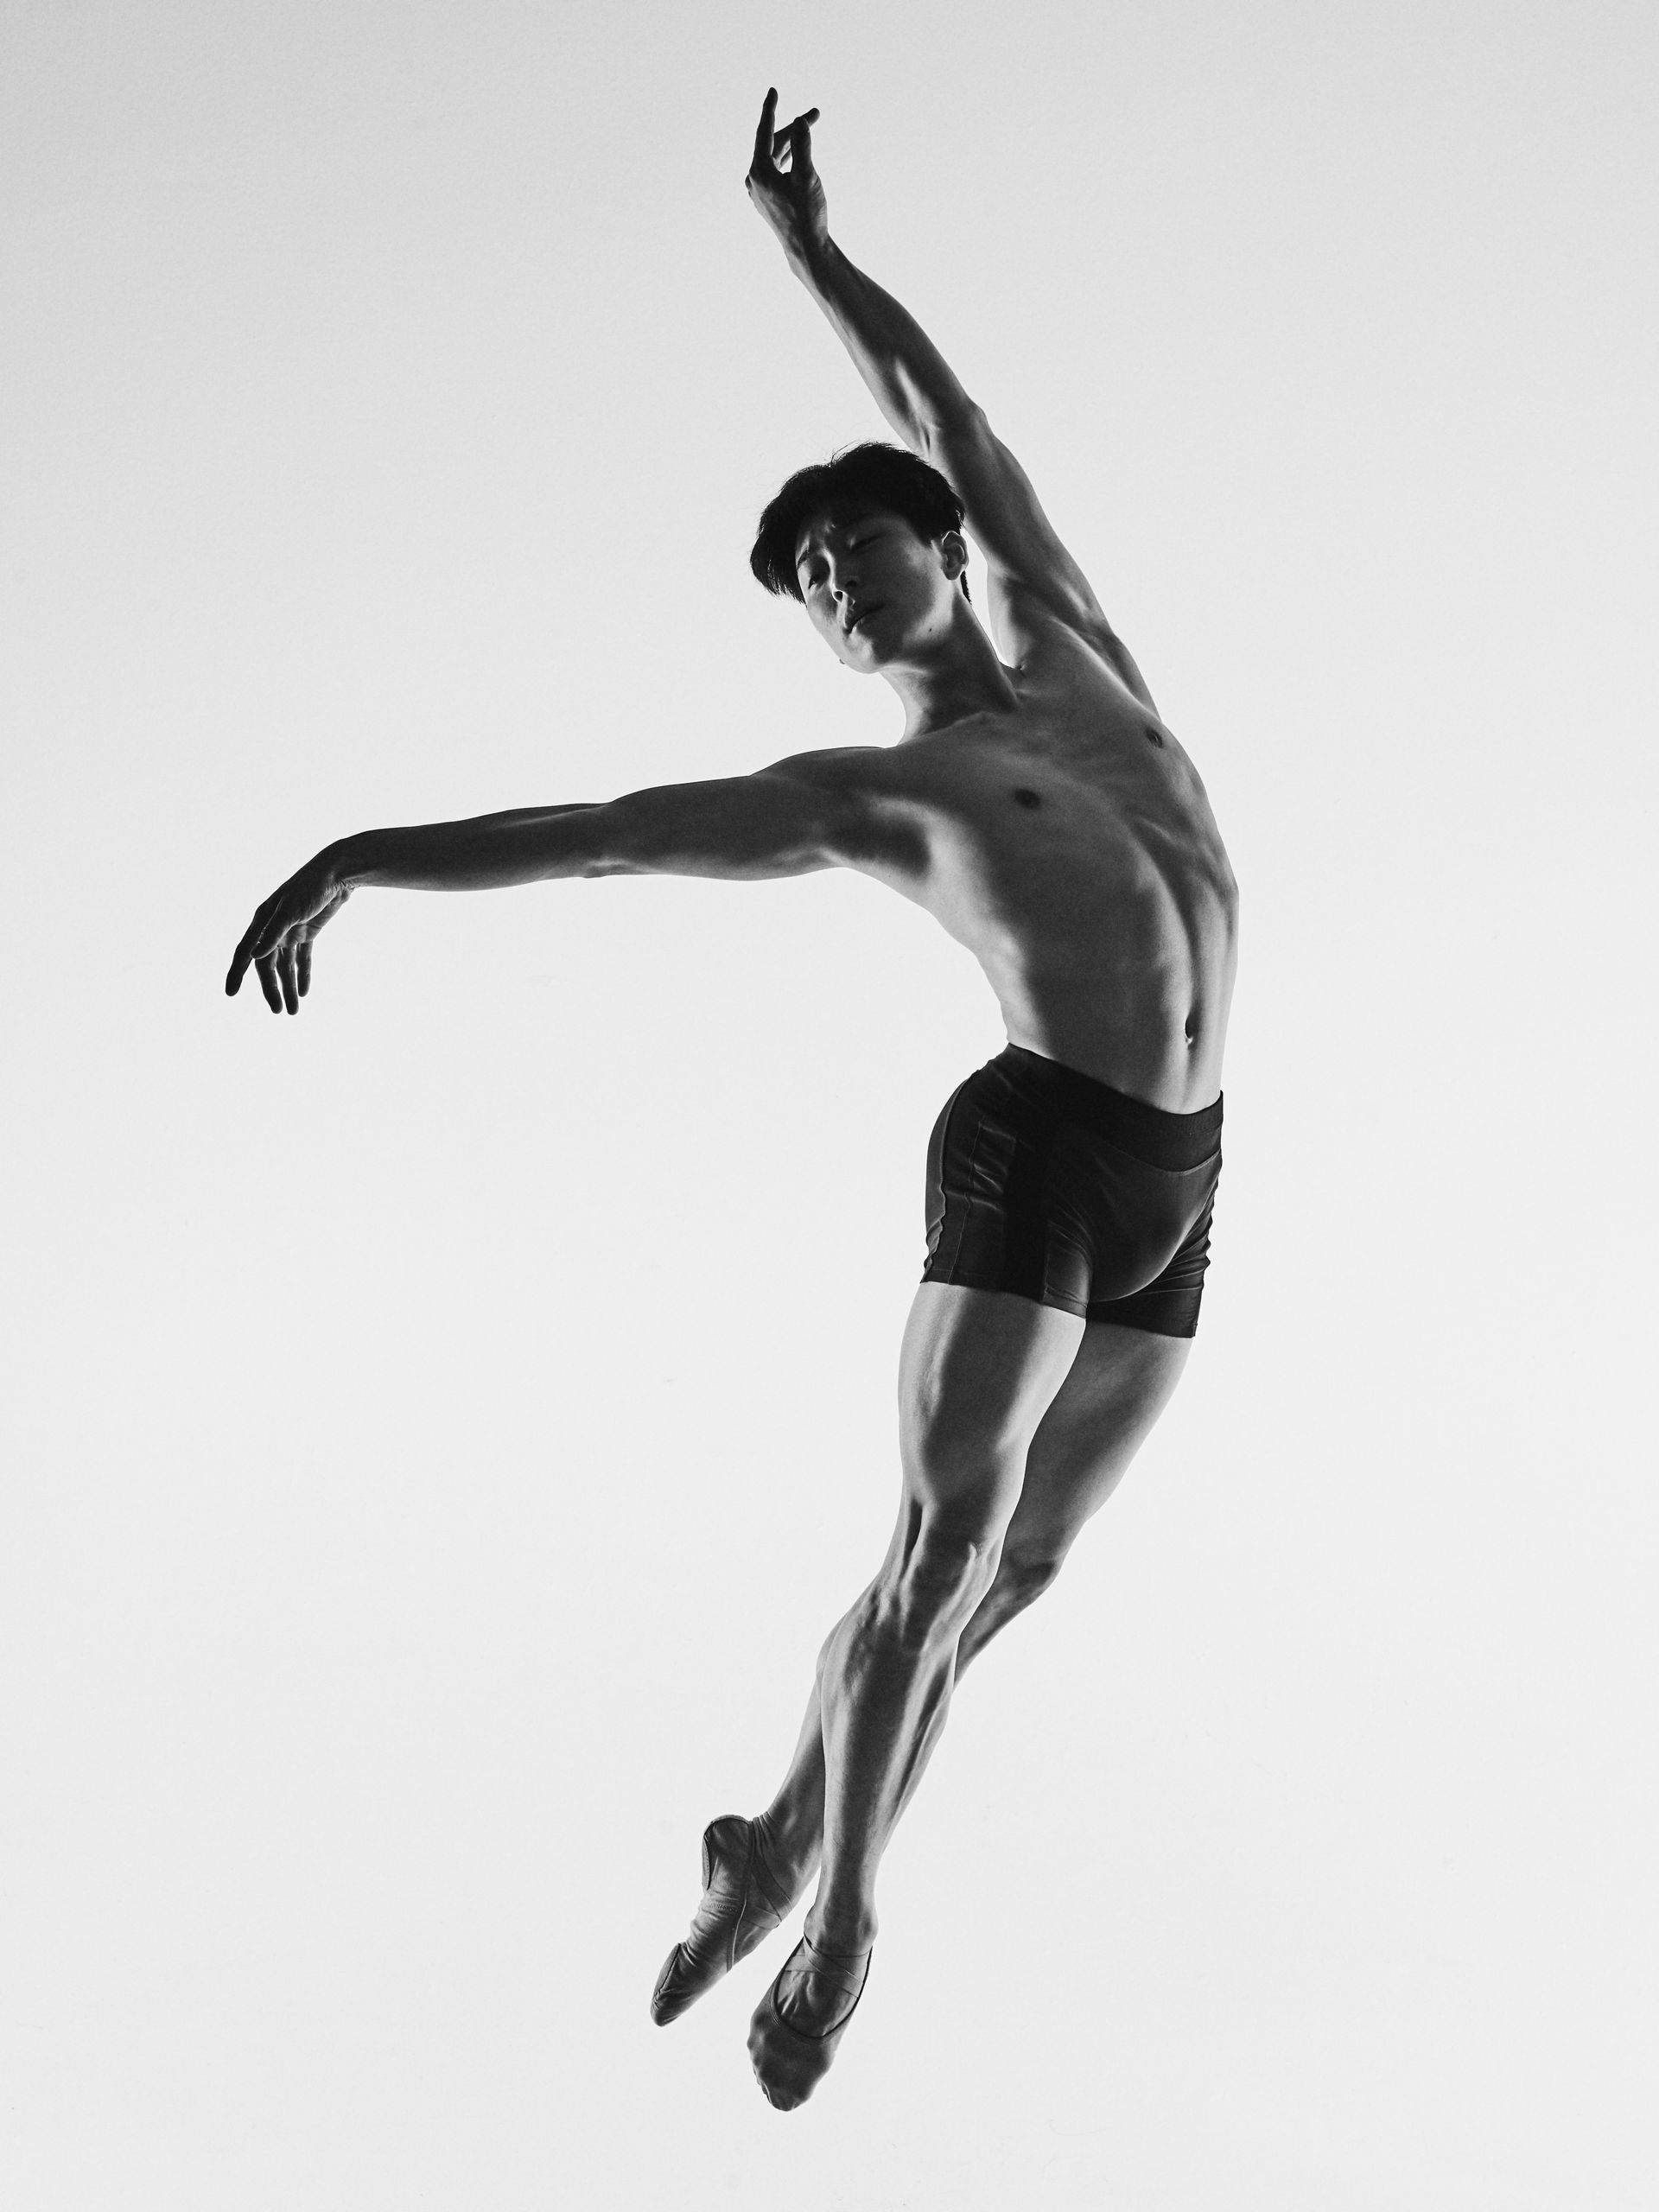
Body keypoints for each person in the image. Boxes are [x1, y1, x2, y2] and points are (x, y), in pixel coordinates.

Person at [225, 89, 1239, 2111]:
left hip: (1187, 1176)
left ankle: (766, 1838)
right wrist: (362, 852)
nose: (829, 590)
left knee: (1016, 1574)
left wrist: (807, 249)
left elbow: (946, 404)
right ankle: (844, 1911)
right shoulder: (876, 795)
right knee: (940, 1551)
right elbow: (605, 832)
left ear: (935, 551)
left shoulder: (1077, 649)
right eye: (801, 587)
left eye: (847, 550)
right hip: (1037, 1144)